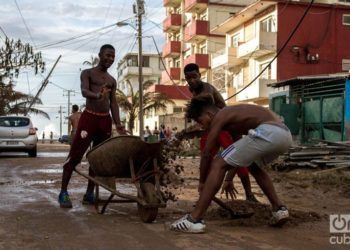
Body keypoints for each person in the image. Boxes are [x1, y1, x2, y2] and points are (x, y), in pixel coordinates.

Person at [171, 95, 292, 233]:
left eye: (200, 121)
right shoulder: (233, 117)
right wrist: (228, 178)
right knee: (253, 166)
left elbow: (206, 154)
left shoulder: (220, 116)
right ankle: (279, 209)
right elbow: (239, 157)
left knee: (218, 162)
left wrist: (202, 182)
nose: (201, 126)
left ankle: (194, 219)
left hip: (270, 132)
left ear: (209, 114)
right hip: (284, 135)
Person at [58, 44, 126, 208]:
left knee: (97, 158)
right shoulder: (87, 73)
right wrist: (97, 95)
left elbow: (113, 103)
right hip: (88, 119)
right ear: (100, 55)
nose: (110, 59)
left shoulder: (112, 80)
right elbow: (84, 91)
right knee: (75, 155)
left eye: (113, 56)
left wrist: (118, 124)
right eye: (107, 55)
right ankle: (63, 192)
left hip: (105, 121)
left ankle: (89, 194)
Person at [184, 63, 256, 202]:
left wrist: (193, 102)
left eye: (194, 77)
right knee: (205, 158)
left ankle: (249, 195)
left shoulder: (206, 87)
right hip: (210, 127)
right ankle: (203, 195)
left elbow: (208, 99)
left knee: (237, 158)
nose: (191, 80)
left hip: (225, 126)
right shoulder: (191, 89)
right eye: (188, 78)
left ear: (199, 75)